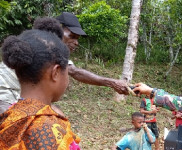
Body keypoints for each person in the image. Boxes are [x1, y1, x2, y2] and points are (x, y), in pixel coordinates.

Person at [0, 13, 129, 115]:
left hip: (23, 97)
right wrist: (112, 83)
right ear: (57, 31)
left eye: (77, 39)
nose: (76, 43)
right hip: (5, 91)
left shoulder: (55, 50)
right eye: (72, 36)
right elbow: (74, 71)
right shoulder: (43, 45)